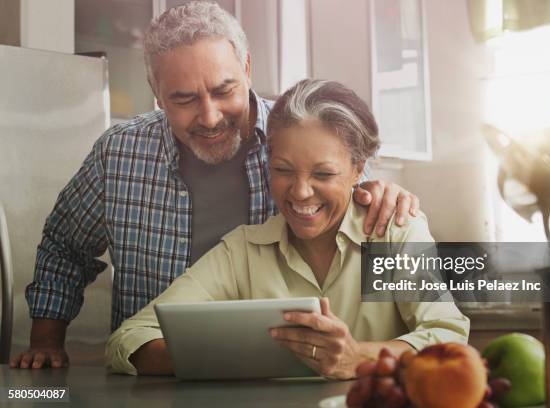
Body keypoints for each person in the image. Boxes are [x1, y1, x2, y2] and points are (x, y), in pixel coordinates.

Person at [11, 1, 420, 369]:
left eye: (224, 91)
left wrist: (387, 198)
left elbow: (363, 220)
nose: (208, 117)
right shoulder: (119, 153)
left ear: (247, 69)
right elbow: (65, 246)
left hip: (286, 381)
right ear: (156, 93)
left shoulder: (302, 134)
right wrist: (46, 342)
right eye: (184, 99)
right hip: (156, 375)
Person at [106, 79, 469, 379]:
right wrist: (234, 358)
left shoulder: (395, 234)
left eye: (323, 174)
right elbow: (131, 338)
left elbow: (448, 341)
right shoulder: (242, 252)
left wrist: (359, 357)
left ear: (359, 169)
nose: (299, 192)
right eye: (282, 170)